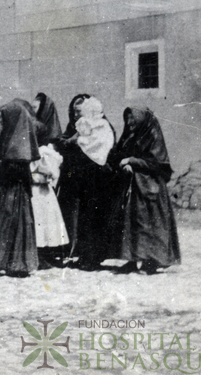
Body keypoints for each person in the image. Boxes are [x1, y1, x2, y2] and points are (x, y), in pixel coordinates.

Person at [110, 107, 180, 274]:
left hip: (150, 187)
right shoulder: (129, 136)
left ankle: (152, 261)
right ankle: (133, 260)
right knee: (131, 225)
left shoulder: (152, 135)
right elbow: (119, 155)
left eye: (133, 119)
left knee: (150, 226)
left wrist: (132, 161)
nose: (129, 123)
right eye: (127, 119)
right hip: (133, 185)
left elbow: (156, 163)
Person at [0, 99, 39, 277]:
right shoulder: (9, 138)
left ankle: (15, 263)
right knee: (5, 225)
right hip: (6, 191)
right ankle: (3, 261)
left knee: (11, 225)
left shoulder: (18, 142)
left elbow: (14, 167)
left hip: (13, 193)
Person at [55, 93, 116, 269]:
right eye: (74, 112)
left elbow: (103, 150)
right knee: (80, 220)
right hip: (75, 181)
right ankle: (79, 254)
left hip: (96, 181)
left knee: (94, 219)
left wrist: (77, 143)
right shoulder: (73, 127)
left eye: (79, 111)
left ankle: (93, 257)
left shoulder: (101, 127)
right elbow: (63, 144)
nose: (76, 115)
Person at [29, 93, 68, 268]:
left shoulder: (49, 144)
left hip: (43, 187)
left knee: (47, 219)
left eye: (35, 108)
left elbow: (52, 170)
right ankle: (39, 252)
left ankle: (49, 253)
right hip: (34, 187)